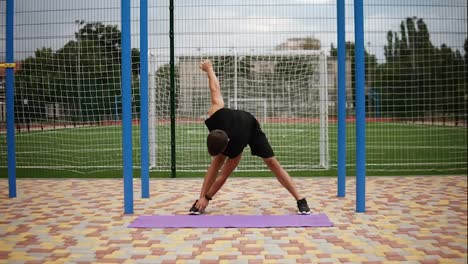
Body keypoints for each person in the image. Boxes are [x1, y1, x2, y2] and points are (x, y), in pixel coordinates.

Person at [189, 59, 310, 215]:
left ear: (226, 145)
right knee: (216, 162)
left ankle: (300, 199)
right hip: (233, 125)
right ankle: (199, 203)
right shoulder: (215, 115)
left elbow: (223, 175)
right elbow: (215, 90)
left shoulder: (236, 146)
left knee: (272, 162)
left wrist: (208, 197)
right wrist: (210, 70)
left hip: (250, 126)